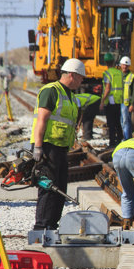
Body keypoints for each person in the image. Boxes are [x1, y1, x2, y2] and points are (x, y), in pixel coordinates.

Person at [30, 58, 84, 230]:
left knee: (59, 188)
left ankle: (52, 225)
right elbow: (42, 120)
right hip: (47, 146)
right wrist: (38, 146)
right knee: (49, 188)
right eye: (81, 77)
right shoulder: (51, 91)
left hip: (60, 148)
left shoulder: (70, 95)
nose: (81, 81)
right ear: (72, 75)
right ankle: (41, 227)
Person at [99, 52, 124, 147]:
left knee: (111, 123)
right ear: (113, 62)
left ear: (105, 62)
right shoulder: (119, 73)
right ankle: (120, 139)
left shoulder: (107, 74)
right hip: (118, 101)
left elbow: (108, 88)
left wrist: (102, 101)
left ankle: (112, 143)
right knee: (117, 122)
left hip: (110, 101)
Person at [120, 56, 134, 140]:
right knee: (122, 121)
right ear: (120, 65)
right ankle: (127, 138)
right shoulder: (118, 75)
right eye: (123, 65)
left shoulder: (132, 77)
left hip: (126, 104)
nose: (124, 67)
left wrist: (132, 104)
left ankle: (126, 139)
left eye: (126, 65)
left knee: (125, 122)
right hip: (118, 102)